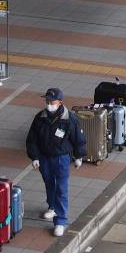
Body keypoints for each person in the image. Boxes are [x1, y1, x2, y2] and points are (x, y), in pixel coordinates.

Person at [25, 88, 86, 237]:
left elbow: (78, 139)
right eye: (47, 101)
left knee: (61, 188)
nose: (49, 104)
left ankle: (61, 221)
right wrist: (35, 157)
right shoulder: (40, 118)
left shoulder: (69, 119)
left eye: (52, 101)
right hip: (45, 157)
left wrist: (79, 157)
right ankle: (52, 207)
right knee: (49, 183)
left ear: (60, 102)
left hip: (62, 158)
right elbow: (32, 139)